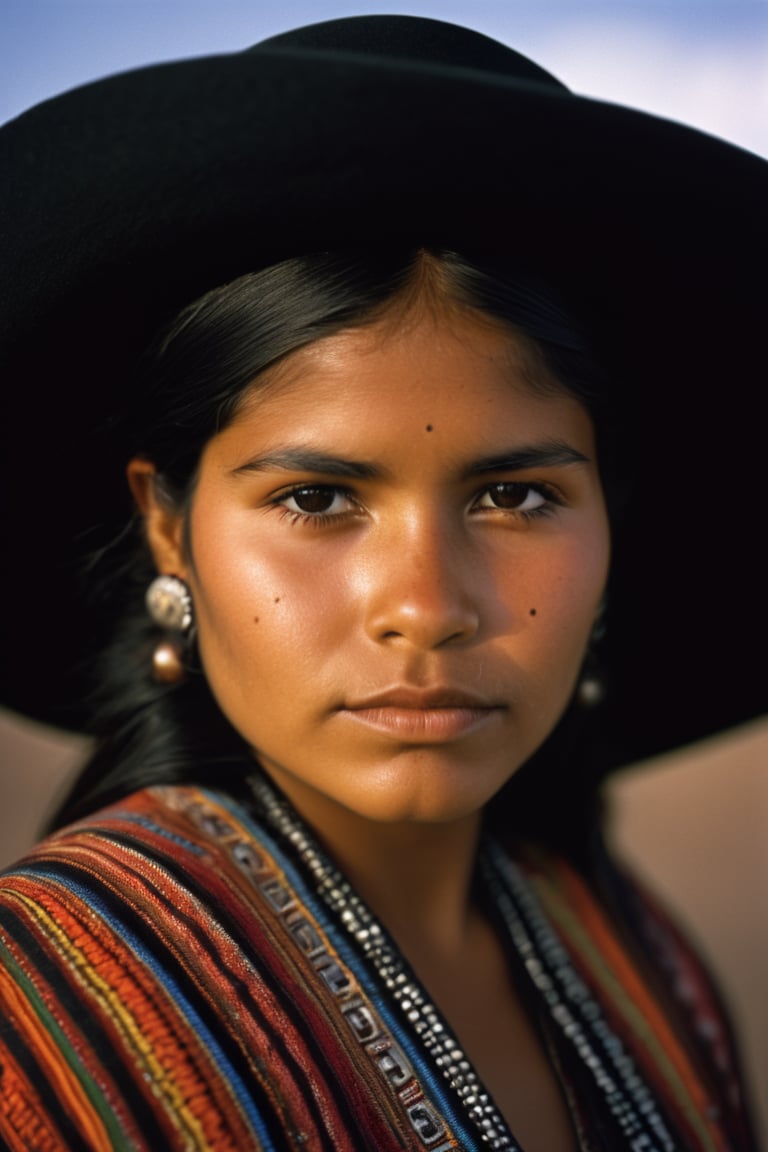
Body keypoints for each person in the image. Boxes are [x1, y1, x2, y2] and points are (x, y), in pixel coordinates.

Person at [0, 14, 765, 1152]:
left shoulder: (635, 953)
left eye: (515, 497)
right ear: (168, 528)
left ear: (614, 519)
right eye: (315, 501)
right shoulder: (36, 1011)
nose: (427, 604)